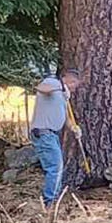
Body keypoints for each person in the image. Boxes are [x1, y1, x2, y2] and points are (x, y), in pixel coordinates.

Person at [28, 67, 83, 208]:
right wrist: (59, 88)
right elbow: (41, 88)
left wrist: (74, 128)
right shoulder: (52, 83)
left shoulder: (65, 94)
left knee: (57, 166)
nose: (75, 88)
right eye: (75, 84)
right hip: (43, 133)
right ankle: (49, 202)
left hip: (53, 134)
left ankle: (55, 199)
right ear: (70, 80)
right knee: (55, 167)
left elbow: (65, 117)